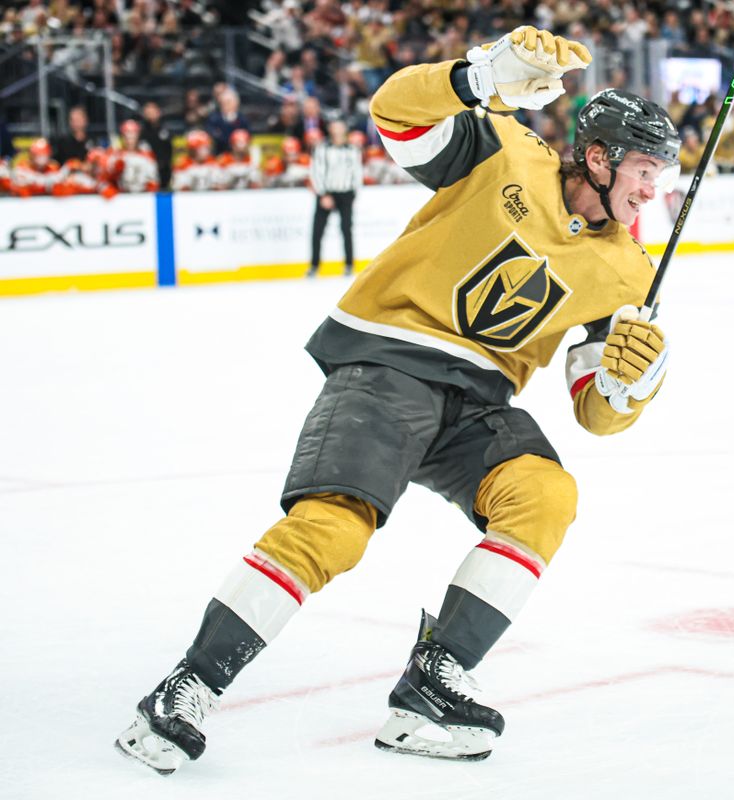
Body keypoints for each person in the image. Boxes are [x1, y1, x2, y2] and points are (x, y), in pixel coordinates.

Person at [115, 25, 680, 773]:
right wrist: (479, 78)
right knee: (334, 530)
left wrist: (629, 386)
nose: (653, 190)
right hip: (390, 361)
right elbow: (395, 115)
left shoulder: (630, 273)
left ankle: (431, 686)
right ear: (600, 156)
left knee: (546, 496)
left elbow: (594, 412)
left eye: (664, 175)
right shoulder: (506, 152)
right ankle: (186, 686)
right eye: (645, 169)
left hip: (479, 400)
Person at [307, 119, 363, 276]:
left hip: (346, 194)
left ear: (345, 128)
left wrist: (354, 193)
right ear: (330, 128)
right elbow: (316, 171)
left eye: (340, 126)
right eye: (334, 126)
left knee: (346, 230)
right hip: (326, 193)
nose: (337, 129)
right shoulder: (321, 149)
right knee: (317, 231)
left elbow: (357, 173)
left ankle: (349, 265)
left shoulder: (353, 150)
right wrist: (323, 194)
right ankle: (314, 266)